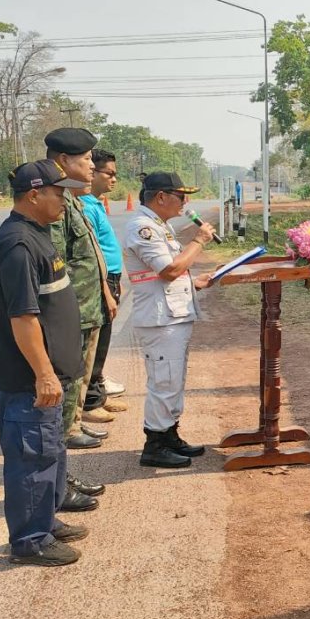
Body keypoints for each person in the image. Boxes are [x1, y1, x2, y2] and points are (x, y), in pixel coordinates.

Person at [0, 160, 90, 566]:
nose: (64, 200)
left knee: (50, 450)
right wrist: (44, 374)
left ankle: (46, 520)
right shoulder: (19, 245)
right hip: (29, 380)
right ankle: (31, 540)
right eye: (58, 193)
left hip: (47, 375)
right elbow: (23, 318)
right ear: (33, 194)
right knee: (32, 458)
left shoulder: (35, 233)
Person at [123, 172, 216, 468]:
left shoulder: (160, 226)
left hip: (172, 314)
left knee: (173, 380)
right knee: (164, 381)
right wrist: (198, 241)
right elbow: (169, 270)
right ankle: (155, 445)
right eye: (181, 196)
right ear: (161, 197)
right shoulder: (143, 228)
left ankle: (169, 435)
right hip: (160, 319)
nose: (185, 202)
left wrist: (194, 282)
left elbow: (166, 273)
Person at [46, 128, 116, 464]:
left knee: (81, 373)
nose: (91, 165)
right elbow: (57, 263)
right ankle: (65, 432)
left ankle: (73, 423)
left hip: (89, 305)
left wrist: (104, 293)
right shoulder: (55, 202)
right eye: (86, 159)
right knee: (70, 374)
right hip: (74, 307)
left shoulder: (72, 199)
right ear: (63, 161)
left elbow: (90, 256)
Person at [80, 148, 128, 423]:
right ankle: (89, 402)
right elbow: (91, 252)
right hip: (101, 280)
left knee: (103, 340)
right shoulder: (86, 206)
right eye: (109, 173)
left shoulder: (95, 203)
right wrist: (106, 289)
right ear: (93, 173)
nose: (114, 179)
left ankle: (97, 393)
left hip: (110, 278)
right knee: (95, 344)